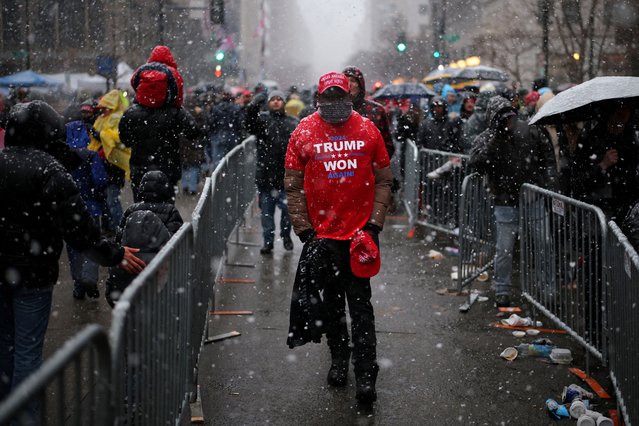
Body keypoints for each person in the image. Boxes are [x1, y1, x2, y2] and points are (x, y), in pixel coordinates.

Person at [0, 101, 144, 420]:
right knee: (26, 352)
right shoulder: (50, 170)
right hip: (34, 275)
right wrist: (115, 255)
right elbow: (79, 229)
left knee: (5, 348)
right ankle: (25, 417)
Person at [284, 72, 393, 404]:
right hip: (323, 238)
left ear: (349, 96)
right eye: (327, 99)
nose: (334, 105)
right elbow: (293, 185)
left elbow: (384, 180)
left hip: (359, 237)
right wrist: (305, 231)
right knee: (332, 307)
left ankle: (365, 374)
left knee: (361, 309)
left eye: (339, 98)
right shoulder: (303, 132)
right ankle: (339, 360)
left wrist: (373, 225)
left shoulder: (367, 129)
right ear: (319, 98)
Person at [469, 96, 557, 307]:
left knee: (544, 244)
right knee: (505, 249)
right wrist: (495, 138)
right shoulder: (488, 137)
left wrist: (544, 184)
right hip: (505, 202)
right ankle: (502, 289)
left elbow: (548, 159)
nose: (508, 122)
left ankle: (548, 290)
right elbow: (475, 163)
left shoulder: (530, 129)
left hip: (532, 199)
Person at [120, 46, 200, 200]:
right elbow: (193, 131)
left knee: (140, 209)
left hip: (140, 170)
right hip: (167, 169)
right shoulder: (175, 112)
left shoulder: (131, 113)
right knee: (166, 211)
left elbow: (125, 139)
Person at [105, 170, 183, 307]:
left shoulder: (131, 210)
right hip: (157, 267)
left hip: (131, 262)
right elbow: (176, 242)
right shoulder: (170, 211)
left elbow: (119, 238)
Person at [65, 100, 109, 299]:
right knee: (92, 243)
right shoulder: (91, 156)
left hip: (69, 209)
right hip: (91, 207)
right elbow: (101, 181)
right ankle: (89, 277)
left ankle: (78, 285)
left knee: (74, 248)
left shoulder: (61, 157)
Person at [246, 90, 298, 254]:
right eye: (273, 100)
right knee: (267, 213)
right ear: (268, 103)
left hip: (285, 176)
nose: (276, 102)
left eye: (279, 99)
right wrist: (253, 106)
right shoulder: (262, 121)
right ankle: (268, 241)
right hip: (266, 176)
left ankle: (286, 236)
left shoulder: (292, 122)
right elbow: (249, 124)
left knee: (287, 213)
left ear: (284, 103)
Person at [571, 101, 639, 222]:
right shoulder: (591, 139)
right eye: (619, 108)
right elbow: (578, 181)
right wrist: (602, 165)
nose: (623, 112)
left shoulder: (632, 139)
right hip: (597, 215)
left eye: (627, 108)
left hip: (625, 211)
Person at [88, 90, 131, 235]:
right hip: (102, 165)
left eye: (106, 108)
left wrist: (100, 135)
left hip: (114, 165)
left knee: (112, 199)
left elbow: (117, 138)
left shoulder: (118, 117)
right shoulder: (102, 118)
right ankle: (110, 228)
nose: (104, 110)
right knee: (106, 200)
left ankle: (119, 228)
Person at [342, 66, 394, 158]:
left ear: (360, 85)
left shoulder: (376, 110)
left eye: (353, 81)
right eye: (345, 81)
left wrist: (373, 163)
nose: (349, 84)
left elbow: (387, 145)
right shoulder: (333, 112)